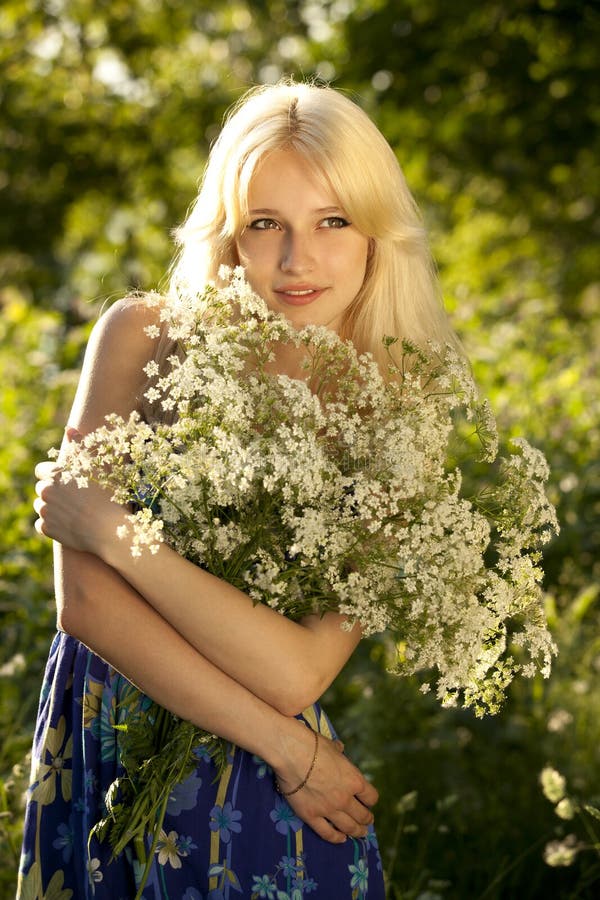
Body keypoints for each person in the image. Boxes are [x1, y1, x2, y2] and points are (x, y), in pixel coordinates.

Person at [21, 79, 456, 899]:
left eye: (333, 221)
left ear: (375, 236)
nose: (299, 259)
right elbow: (84, 606)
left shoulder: (395, 414)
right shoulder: (141, 339)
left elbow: (296, 674)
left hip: (256, 792)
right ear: (229, 235)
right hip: (109, 746)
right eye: (266, 224)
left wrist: (115, 534)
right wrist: (297, 753)